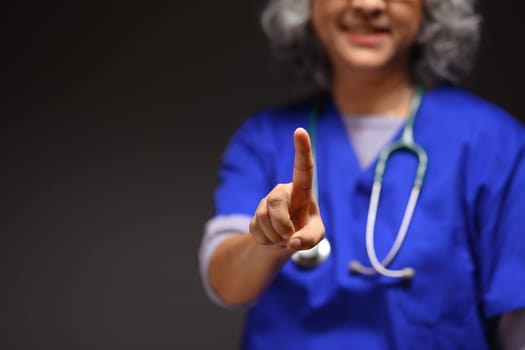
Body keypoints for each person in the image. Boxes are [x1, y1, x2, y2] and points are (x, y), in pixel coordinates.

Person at [199, 0, 525, 348]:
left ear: (429, 7)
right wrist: (269, 241)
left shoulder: (494, 144)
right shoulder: (263, 139)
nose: (368, 4)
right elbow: (226, 282)